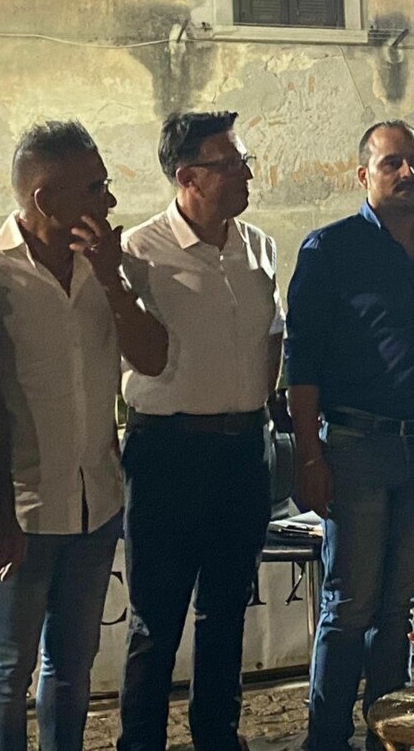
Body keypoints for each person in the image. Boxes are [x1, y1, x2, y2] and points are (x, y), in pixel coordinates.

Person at [0, 121, 167, 751]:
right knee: (7, 670)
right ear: (45, 199)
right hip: (19, 508)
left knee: (72, 668)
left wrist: (112, 280)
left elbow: (153, 359)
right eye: (95, 187)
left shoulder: (109, 265)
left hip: (96, 503)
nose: (110, 200)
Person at [288, 121, 414, 751]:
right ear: (363, 175)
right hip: (357, 449)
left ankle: (386, 737)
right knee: (350, 607)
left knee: (398, 607)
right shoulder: (328, 250)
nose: (408, 173)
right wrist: (309, 455)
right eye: (393, 163)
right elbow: (301, 362)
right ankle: (327, 739)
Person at [117, 111, 284, 751]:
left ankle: (218, 735)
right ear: (187, 177)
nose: (247, 175)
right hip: (169, 452)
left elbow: (273, 334)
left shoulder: (259, 245)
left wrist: (257, 408)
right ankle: (141, 742)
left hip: (244, 450)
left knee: (226, 610)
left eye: (244, 162)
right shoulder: (138, 253)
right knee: (155, 619)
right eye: (231, 164)